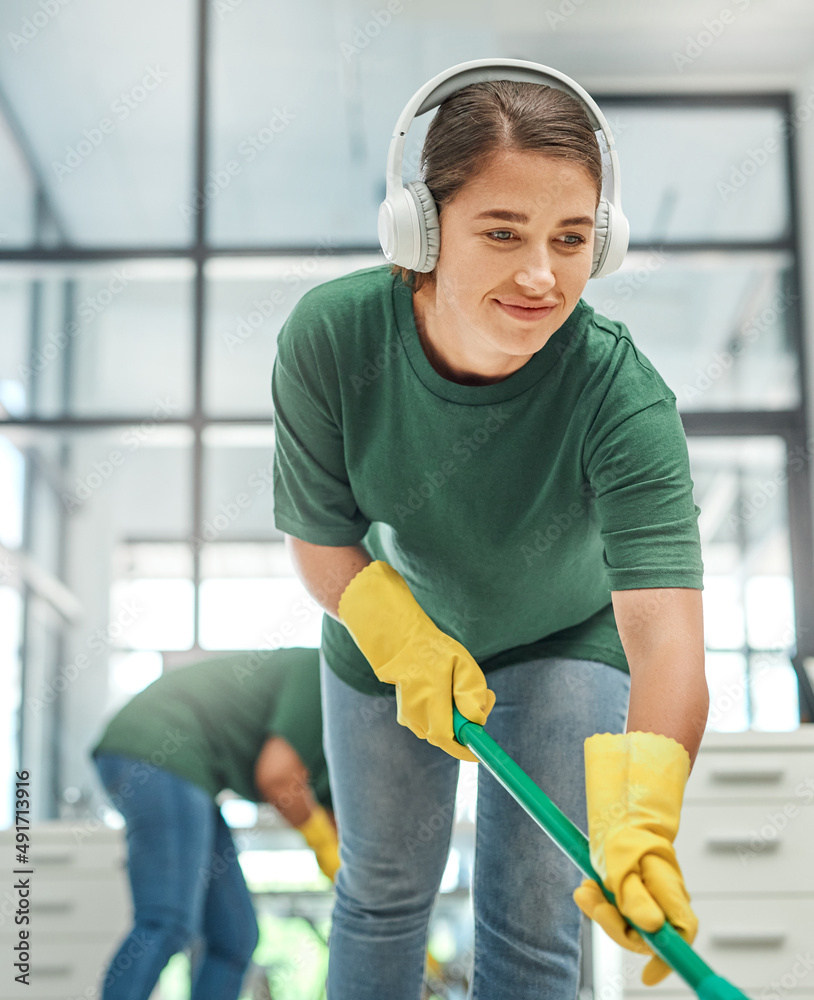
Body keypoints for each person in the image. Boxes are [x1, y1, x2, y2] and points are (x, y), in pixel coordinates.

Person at [271, 59, 708, 1000]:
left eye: (572, 238)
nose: (542, 275)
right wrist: (397, 637)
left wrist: (643, 818)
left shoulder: (621, 399)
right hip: (387, 628)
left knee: (536, 919)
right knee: (381, 895)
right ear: (419, 230)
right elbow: (320, 539)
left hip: (563, 636)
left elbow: (665, 631)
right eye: (502, 232)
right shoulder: (335, 339)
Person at [90, 646, 338, 1000]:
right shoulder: (321, 675)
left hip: (190, 773)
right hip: (158, 748)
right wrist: (325, 847)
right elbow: (278, 777)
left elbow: (338, 823)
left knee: (234, 937)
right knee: (166, 920)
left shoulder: (341, 753)